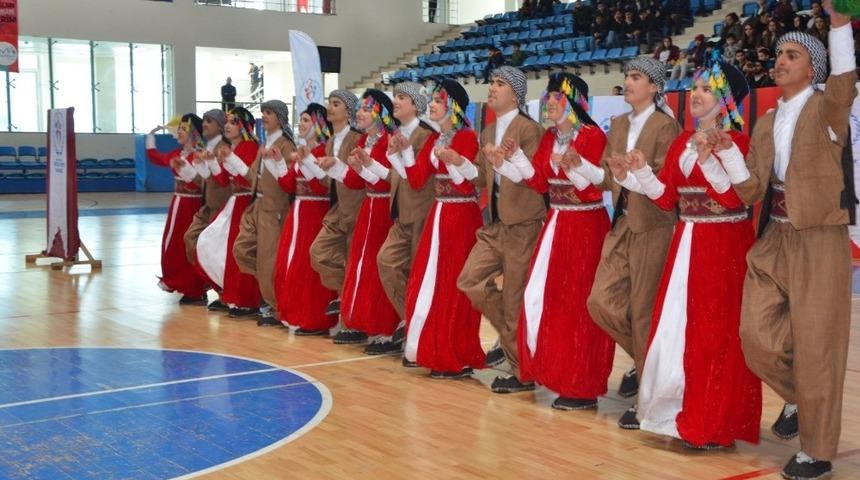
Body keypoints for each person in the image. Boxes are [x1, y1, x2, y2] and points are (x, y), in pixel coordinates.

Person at [723, 5, 857, 477]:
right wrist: (726, 155)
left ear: (813, 68)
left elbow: (845, 81)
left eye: (792, 55)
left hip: (819, 238)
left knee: (818, 346)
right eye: (779, 54)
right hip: (773, 239)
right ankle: (803, 399)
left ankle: (816, 453)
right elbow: (751, 190)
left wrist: (839, 24)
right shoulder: (765, 122)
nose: (780, 60)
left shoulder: (827, 108)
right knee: (754, 336)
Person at [627, 57, 762, 450]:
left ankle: (713, 421)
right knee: (677, 327)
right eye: (695, 88)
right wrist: (640, 172)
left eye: (706, 89)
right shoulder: (681, 143)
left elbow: (735, 198)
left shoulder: (737, 144)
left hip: (721, 244)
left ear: (726, 100)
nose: (696, 95)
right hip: (686, 241)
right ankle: (676, 412)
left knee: (714, 332)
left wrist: (709, 161)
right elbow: (666, 197)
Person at [586, 57, 680, 429]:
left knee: (643, 310)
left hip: (654, 225)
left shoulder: (665, 126)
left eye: (636, 77)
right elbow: (608, 179)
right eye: (627, 76)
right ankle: (646, 363)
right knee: (600, 301)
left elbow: (664, 184)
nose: (628, 81)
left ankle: (646, 395)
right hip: (623, 221)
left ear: (654, 87)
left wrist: (632, 172)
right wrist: (583, 167)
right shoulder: (620, 123)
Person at [517, 72, 615, 411]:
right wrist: (513, 160)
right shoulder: (549, 138)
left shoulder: (593, 136)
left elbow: (593, 189)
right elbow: (539, 182)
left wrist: (576, 166)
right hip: (557, 222)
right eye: (548, 96)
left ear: (574, 102)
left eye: (557, 96)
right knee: (543, 297)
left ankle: (582, 384)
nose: (550, 102)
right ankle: (553, 370)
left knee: (576, 304)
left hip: (585, 225)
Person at [456, 66, 545, 394]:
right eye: (492, 82)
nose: (492, 88)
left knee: (515, 299)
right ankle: (512, 341)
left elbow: (533, 178)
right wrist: (459, 162)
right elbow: (481, 177)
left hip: (523, 226)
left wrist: (502, 162)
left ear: (516, 94)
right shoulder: (489, 130)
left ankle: (522, 370)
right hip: (495, 226)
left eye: (500, 83)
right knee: (469, 281)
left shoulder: (530, 130)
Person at [401, 79, 485, 378]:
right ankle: (430, 348)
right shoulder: (436, 139)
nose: (432, 105)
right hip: (439, 214)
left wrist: (453, 161)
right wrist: (404, 152)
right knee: (430, 281)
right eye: (433, 99)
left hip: (460, 216)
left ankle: (455, 354)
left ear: (454, 107)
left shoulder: (467, 137)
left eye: (439, 100)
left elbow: (466, 184)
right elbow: (416, 179)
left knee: (451, 284)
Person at [334, 89, 400, 345]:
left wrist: (364, 166)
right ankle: (361, 320)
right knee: (360, 263)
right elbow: (354, 181)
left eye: (365, 109)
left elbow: (388, 182)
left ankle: (384, 326)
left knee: (375, 265)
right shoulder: (364, 141)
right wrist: (337, 167)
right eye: (359, 108)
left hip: (383, 209)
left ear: (379, 113)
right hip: (369, 206)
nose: (359, 113)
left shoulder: (388, 141)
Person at [375, 82, 435, 355]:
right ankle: (411, 318)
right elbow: (398, 176)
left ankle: (418, 331)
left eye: (401, 97)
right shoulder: (398, 134)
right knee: (386, 261)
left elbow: (418, 178)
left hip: (422, 214)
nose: (395, 101)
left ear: (416, 104)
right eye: (395, 97)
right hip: (402, 215)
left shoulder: (426, 136)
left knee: (418, 275)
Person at [271, 103, 336, 334]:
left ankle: (315, 318)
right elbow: (288, 184)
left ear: (318, 124)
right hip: (298, 213)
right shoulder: (304, 151)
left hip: (314, 215)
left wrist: (305, 160)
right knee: (289, 263)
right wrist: (279, 161)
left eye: (307, 119)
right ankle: (295, 313)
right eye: (301, 119)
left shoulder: (323, 151)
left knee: (307, 267)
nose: (301, 123)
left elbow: (321, 187)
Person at [232, 100, 297, 327]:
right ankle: (268, 292)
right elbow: (252, 175)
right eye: (263, 112)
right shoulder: (265, 143)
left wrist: (272, 161)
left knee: (269, 259)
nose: (265, 116)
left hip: (274, 209)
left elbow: (287, 179)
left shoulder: (286, 144)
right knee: (241, 249)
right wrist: (230, 160)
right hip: (257, 205)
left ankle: (275, 305)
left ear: (280, 117)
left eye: (269, 112)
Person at [196, 107, 262, 317]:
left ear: (244, 126)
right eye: (228, 121)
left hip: (246, 203)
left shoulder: (250, 147)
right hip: (235, 202)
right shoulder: (231, 147)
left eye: (234, 122)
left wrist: (230, 159)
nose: (228, 125)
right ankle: (231, 293)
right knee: (215, 245)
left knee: (238, 251)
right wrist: (210, 161)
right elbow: (223, 180)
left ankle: (247, 299)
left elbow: (250, 179)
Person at [309, 90, 364, 331]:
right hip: (339, 209)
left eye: (336, 104)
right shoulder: (331, 142)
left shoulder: (357, 138)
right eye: (330, 103)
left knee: (354, 260)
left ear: (348, 110)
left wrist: (335, 166)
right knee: (319, 252)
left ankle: (352, 314)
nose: (330, 108)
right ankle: (344, 294)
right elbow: (328, 181)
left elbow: (358, 177)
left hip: (357, 207)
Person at [145, 114, 209, 305]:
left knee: (188, 246)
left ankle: (195, 289)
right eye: (179, 128)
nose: (179, 131)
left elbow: (201, 184)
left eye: (183, 128)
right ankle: (187, 286)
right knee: (174, 246)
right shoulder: (178, 153)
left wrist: (186, 169)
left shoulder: (200, 155)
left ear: (194, 133)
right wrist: (150, 137)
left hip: (192, 206)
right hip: (178, 205)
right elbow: (156, 157)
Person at [183, 109, 232, 310]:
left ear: (219, 125)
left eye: (209, 121)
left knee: (217, 252)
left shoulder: (224, 149)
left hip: (222, 207)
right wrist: (186, 170)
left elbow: (225, 181)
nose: (204, 124)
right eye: (204, 120)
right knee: (190, 239)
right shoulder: (205, 148)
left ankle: (223, 292)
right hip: (208, 206)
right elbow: (205, 181)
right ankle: (210, 284)